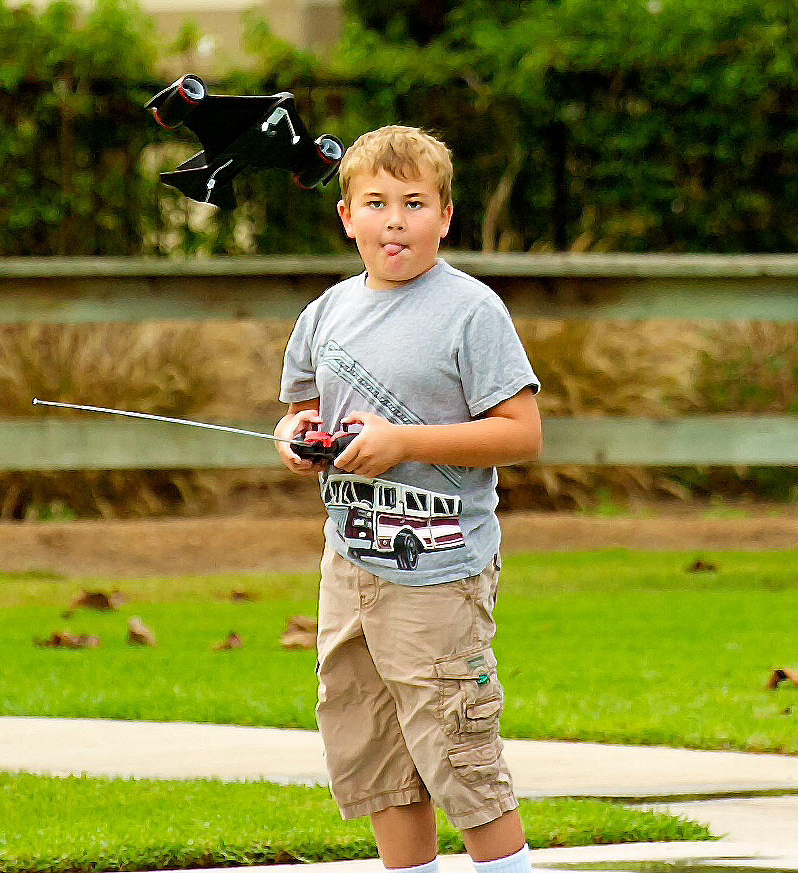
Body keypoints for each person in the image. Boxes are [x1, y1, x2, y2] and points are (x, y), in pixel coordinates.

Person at [274, 125, 542, 873]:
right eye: (377, 202)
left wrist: (405, 442)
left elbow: (521, 433)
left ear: (446, 217)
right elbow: (298, 410)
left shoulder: (471, 310)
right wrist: (294, 437)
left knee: (458, 748)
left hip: (439, 569)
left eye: (415, 202)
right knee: (372, 743)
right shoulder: (325, 313)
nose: (396, 219)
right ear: (346, 218)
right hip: (349, 564)